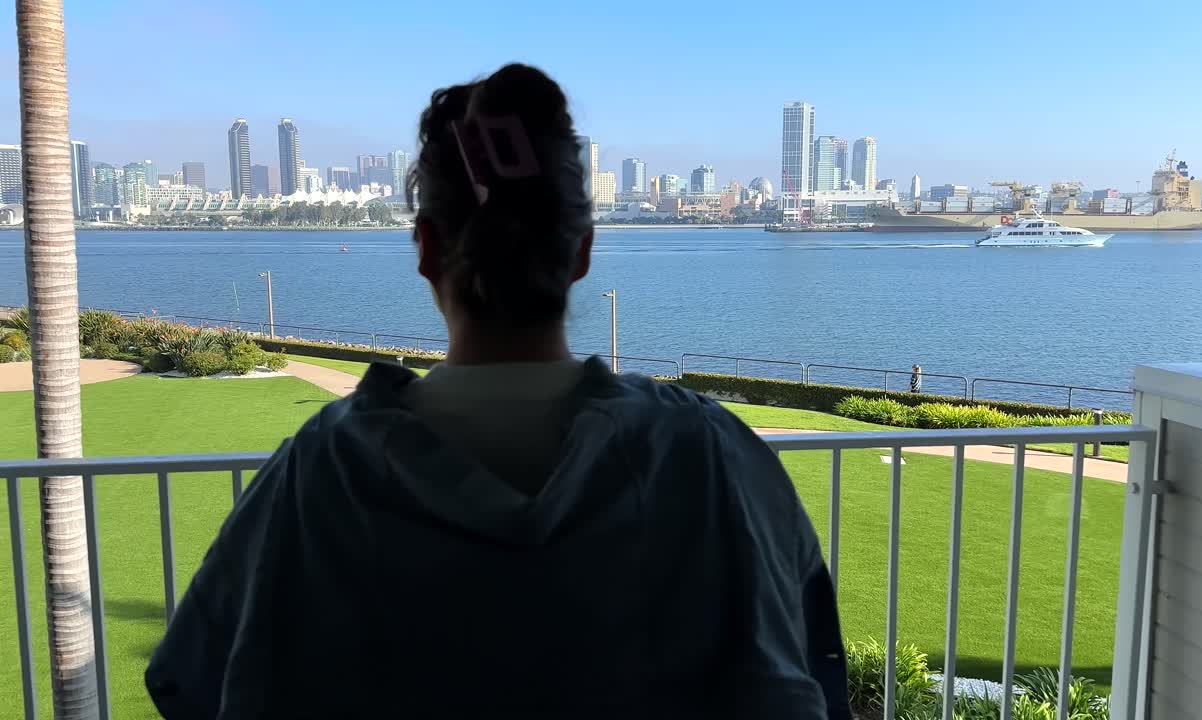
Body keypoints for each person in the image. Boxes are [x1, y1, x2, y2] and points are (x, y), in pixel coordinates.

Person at [145, 64, 847, 719]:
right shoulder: (712, 455)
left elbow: (191, 680)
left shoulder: (319, 471)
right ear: (581, 253)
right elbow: (807, 664)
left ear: (423, 248)